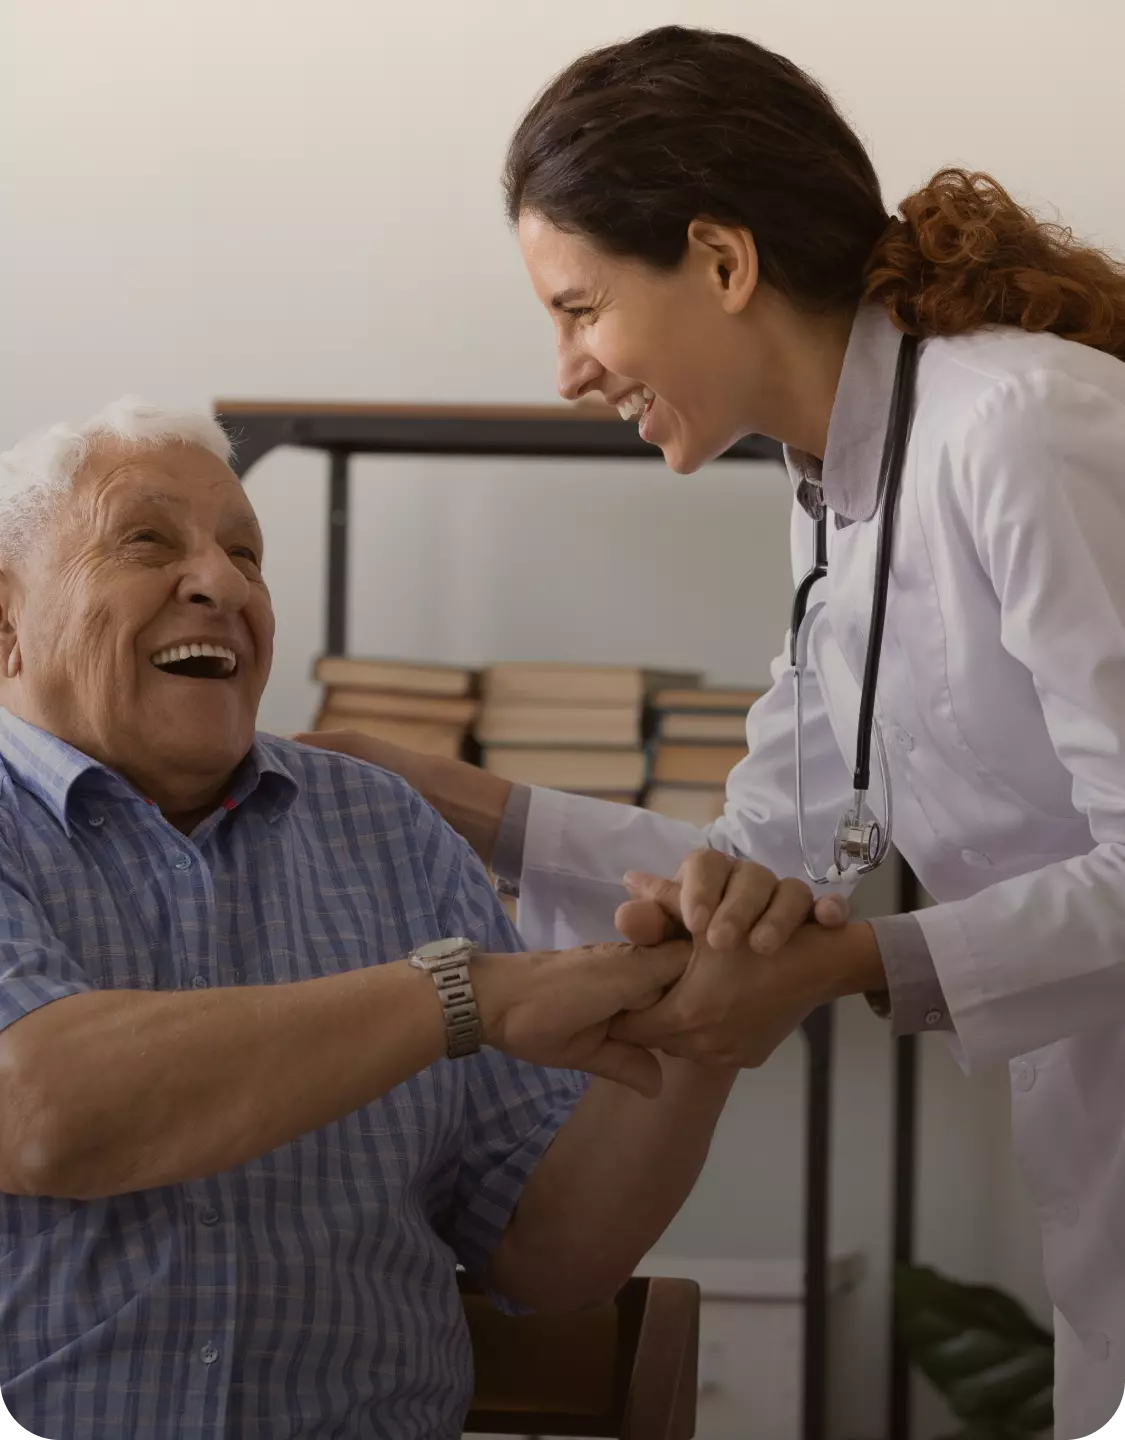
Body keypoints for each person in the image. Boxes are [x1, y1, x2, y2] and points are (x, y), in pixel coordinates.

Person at [302, 24, 1125, 1439]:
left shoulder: (1018, 429)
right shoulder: (832, 488)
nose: (568, 369)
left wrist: (840, 965)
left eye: (579, 308)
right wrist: (447, 798)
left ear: (723, 261)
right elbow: (759, 850)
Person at [0, 396, 788, 1440]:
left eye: (249, 553)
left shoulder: (384, 827)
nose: (222, 582)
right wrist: (460, 994)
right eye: (147, 540)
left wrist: (701, 1025)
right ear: (7, 620)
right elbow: (44, 1111)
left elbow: (549, 1256)